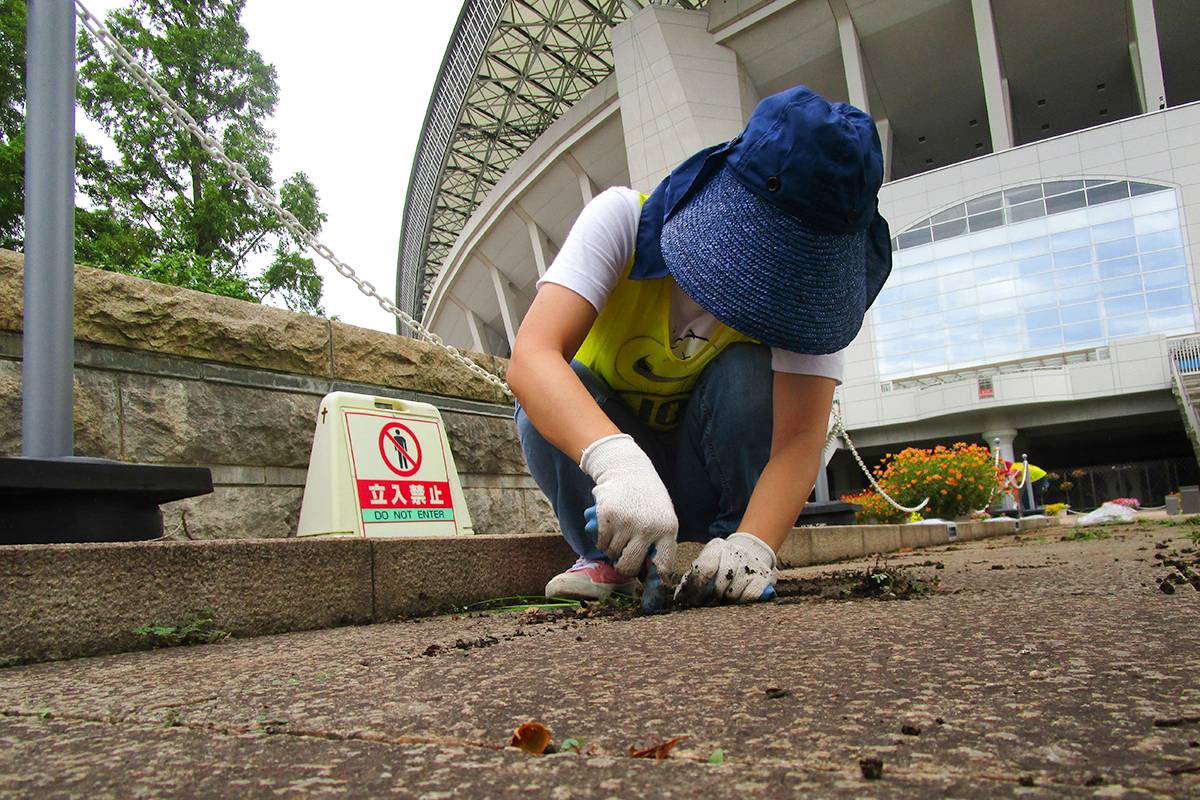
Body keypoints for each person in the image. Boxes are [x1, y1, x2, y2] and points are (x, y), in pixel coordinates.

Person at [507, 86, 891, 605]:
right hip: (615, 494)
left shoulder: (808, 301)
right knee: (554, 390)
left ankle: (725, 560)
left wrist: (754, 542)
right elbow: (533, 357)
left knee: (748, 370)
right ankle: (608, 559)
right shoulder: (622, 220)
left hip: (705, 487)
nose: (776, 273)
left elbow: (800, 439)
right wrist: (618, 462)